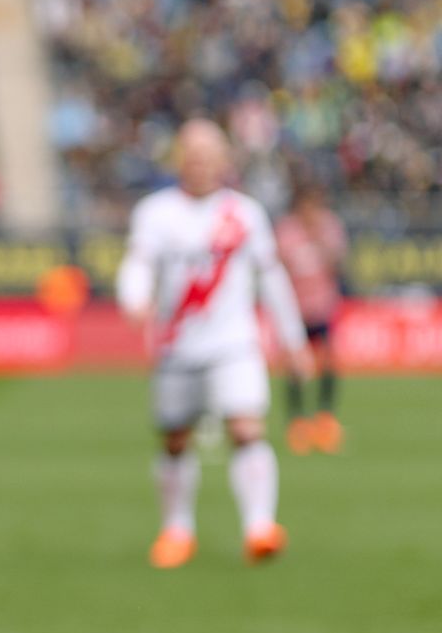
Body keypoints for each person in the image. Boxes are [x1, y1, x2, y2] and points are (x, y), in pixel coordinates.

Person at [117, 119, 314, 569]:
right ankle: (177, 530)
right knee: (174, 439)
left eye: (208, 155)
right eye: (191, 154)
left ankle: (259, 527)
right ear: (178, 159)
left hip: (234, 345)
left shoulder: (244, 214)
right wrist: (134, 298)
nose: (199, 163)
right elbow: (138, 264)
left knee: (246, 427)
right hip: (176, 347)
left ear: (224, 161)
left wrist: (293, 341)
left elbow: (272, 278)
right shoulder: (156, 213)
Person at [274, 182, 347, 455]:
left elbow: (339, 264)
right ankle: (298, 424)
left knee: (327, 362)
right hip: (294, 311)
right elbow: (275, 270)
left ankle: (325, 421)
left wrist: (320, 240)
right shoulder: (286, 231)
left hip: (322, 307)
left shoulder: (328, 227)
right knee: (295, 367)